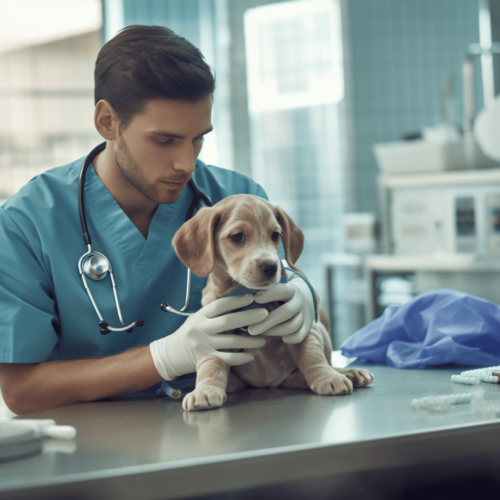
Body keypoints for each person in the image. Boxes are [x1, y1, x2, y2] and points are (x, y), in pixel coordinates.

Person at [0, 25, 316, 415]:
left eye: (198, 138)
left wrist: (306, 298)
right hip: (96, 442)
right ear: (106, 121)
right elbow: (21, 391)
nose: (187, 163)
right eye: (164, 140)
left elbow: (289, 300)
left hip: (233, 422)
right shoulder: (26, 223)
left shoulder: (235, 195)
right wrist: (165, 357)